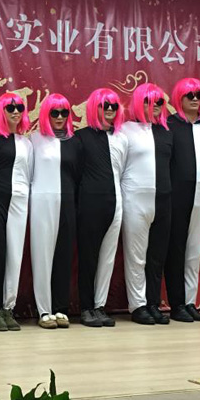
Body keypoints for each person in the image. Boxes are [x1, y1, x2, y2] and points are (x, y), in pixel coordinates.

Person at [165, 78, 200, 322]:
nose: (195, 99)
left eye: (198, 94)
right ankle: (176, 304)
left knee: (194, 250)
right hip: (175, 196)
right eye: (190, 95)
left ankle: (190, 302)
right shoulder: (169, 125)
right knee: (175, 250)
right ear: (179, 98)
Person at [120, 83, 173, 325]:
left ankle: (153, 303)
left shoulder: (166, 131)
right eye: (149, 101)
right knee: (136, 256)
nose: (155, 106)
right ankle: (138, 305)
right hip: (135, 198)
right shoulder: (125, 131)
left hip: (163, 199)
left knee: (157, 257)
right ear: (138, 103)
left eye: (160, 102)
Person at [0, 92, 32, 331]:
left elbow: (29, 174)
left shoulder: (26, 143)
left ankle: (8, 308)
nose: (15, 112)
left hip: (19, 200)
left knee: (15, 254)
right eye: (10, 108)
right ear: (1, 111)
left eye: (19, 107)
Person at [76, 88, 127, 328]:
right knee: (88, 257)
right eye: (104, 105)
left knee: (107, 257)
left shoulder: (122, 139)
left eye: (113, 106)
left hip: (115, 202)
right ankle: (86, 307)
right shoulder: (81, 137)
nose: (109, 110)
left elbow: (122, 171)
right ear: (94, 108)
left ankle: (100, 305)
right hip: (89, 203)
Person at [30, 93, 81, 329]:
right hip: (42, 201)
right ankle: (44, 309)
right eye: (54, 112)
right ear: (46, 114)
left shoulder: (74, 142)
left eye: (64, 112)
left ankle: (61, 307)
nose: (59, 117)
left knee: (64, 255)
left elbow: (78, 175)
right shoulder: (35, 140)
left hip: (68, 202)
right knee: (42, 255)